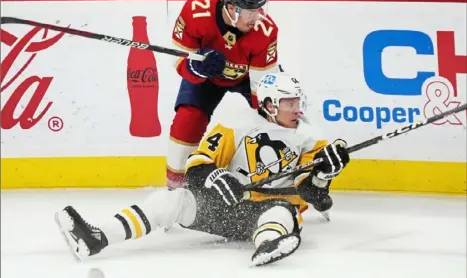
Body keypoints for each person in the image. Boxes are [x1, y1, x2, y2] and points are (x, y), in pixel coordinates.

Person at [55, 72, 351, 266]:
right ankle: (98, 237)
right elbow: (196, 165)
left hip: (270, 212)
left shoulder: (311, 137)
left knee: (281, 212)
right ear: (270, 104)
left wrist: (323, 175)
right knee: (174, 199)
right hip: (225, 210)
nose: (297, 109)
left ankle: (268, 244)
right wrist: (216, 175)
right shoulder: (236, 124)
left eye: (298, 101)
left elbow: (315, 197)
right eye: (289, 102)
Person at [167, 0, 280, 189]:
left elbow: (262, 85)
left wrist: (269, 116)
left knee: (277, 112)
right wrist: (197, 66)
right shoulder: (196, 10)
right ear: (231, 8)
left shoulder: (265, 30)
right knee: (187, 120)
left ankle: (294, 177)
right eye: (251, 11)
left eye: (260, 9)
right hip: (207, 76)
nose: (259, 16)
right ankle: (176, 188)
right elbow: (179, 60)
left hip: (248, 76)